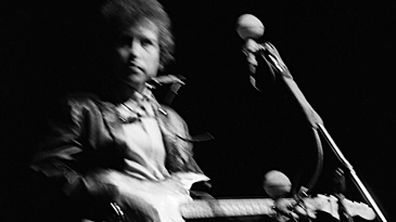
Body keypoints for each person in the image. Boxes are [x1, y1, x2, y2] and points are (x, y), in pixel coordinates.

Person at [29, 0, 209, 221]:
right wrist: (115, 194)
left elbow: (195, 191)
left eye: (146, 43)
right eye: (125, 41)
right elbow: (47, 173)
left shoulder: (173, 121)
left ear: (161, 55)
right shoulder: (81, 110)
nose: (134, 52)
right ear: (109, 49)